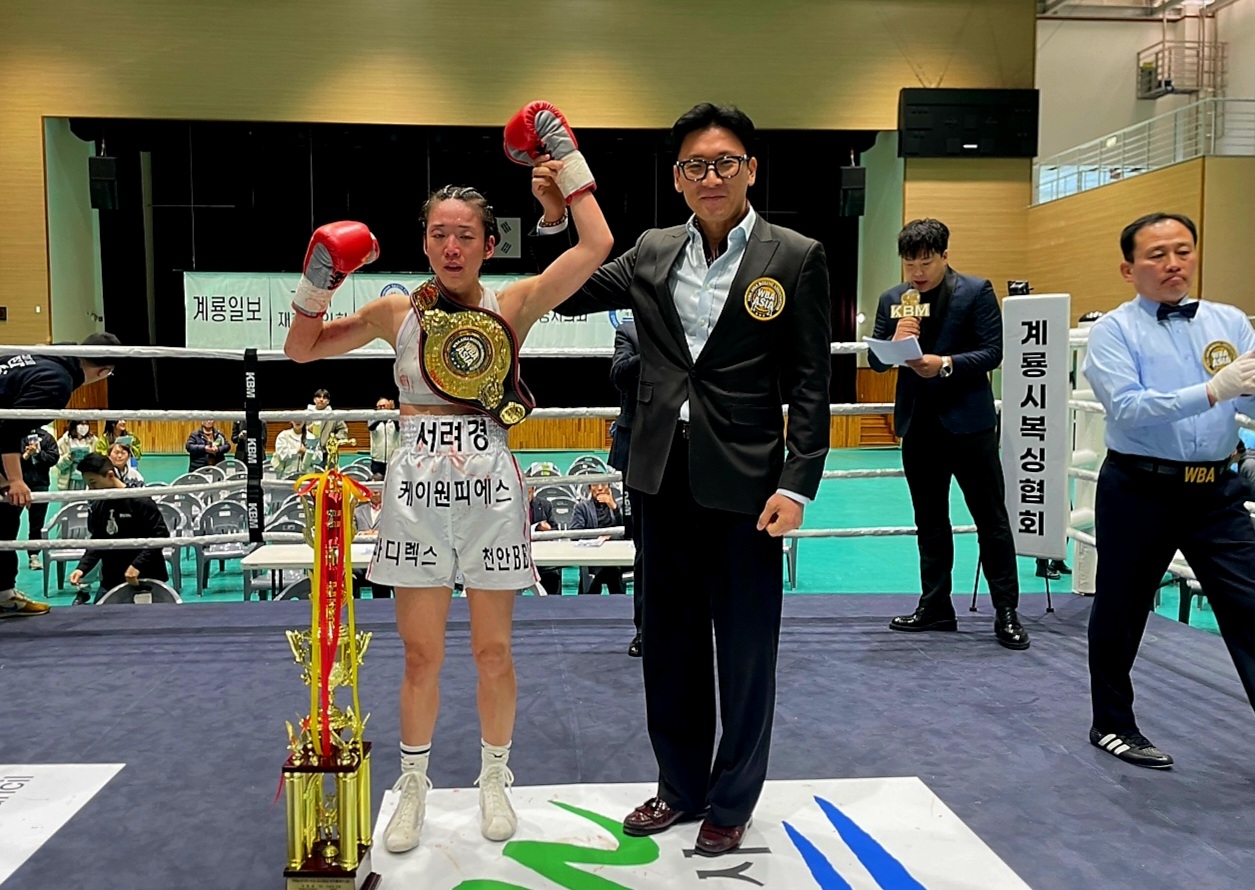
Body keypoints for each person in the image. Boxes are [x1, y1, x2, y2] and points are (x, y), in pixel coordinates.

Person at [283, 99, 611, 853]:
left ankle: (495, 776)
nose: (451, 245)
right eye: (439, 233)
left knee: (493, 651)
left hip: (490, 486)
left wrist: (563, 160)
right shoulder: (394, 311)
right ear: (424, 241)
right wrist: (318, 279)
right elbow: (301, 350)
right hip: (415, 491)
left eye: (465, 234)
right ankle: (413, 785)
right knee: (420, 653)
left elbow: (596, 244)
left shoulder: (514, 303)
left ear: (490, 244)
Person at [545, 103, 831, 856]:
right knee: (668, 643)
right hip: (659, 475)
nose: (711, 177)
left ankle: (732, 799)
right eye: (696, 165)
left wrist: (797, 483)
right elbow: (571, 291)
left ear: (750, 170)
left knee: (745, 649)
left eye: (725, 162)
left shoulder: (795, 255)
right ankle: (679, 787)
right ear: (677, 178)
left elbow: (811, 382)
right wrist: (557, 218)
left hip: (747, 482)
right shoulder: (651, 249)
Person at [1081, 211, 1255, 769]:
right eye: (1157, 255)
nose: (1173, 263)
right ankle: (1112, 724)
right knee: (1122, 607)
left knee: (1251, 606)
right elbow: (1128, 407)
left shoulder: (1231, 322)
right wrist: (1212, 390)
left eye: (1183, 250)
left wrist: (1241, 395)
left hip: (1217, 491)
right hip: (1140, 488)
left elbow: (1248, 397)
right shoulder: (1114, 331)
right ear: (1128, 269)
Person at [868, 218, 1028, 650]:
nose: (917, 272)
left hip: (969, 425)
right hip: (918, 425)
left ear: (944, 256)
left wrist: (945, 364)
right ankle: (936, 605)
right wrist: (895, 340)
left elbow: (993, 352)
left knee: (991, 520)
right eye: (910, 263)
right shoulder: (893, 299)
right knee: (930, 522)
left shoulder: (975, 291)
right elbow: (877, 360)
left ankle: (1006, 611)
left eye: (926, 262)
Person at [0, 333, 119, 617]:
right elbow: (7, 428)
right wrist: (15, 479)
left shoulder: (48, 355)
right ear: (103, 372)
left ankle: (3, 595)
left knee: (4, 514)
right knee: (7, 509)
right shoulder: (57, 381)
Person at [67, 453, 169, 605]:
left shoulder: (140, 500)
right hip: (111, 579)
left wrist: (137, 565)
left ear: (110, 475)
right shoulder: (99, 505)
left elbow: (161, 535)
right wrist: (82, 568)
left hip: (146, 577)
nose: (91, 490)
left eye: (93, 483)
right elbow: (98, 539)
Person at [609, 318, 645, 656]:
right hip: (639, 452)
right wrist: (656, 348)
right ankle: (645, 630)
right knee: (645, 545)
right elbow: (619, 375)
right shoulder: (631, 331)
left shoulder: (695, 331)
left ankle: (691, 626)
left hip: (689, 447)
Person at [570, 482, 624, 595]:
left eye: (603, 484)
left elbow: (627, 531)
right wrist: (599, 539)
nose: (600, 488)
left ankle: (591, 594)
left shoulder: (618, 505)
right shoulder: (582, 507)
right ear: (590, 489)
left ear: (609, 487)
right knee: (611, 569)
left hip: (615, 554)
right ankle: (619, 598)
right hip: (592, 555)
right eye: (595, 485)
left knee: (611, 567)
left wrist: (614, 507)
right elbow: (575, 534)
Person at [20, 427, 59, 571]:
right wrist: (25, 456)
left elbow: (54, 458)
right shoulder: (17, 435)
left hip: (40, 484)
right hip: (19, 485)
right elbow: (7, 460)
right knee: (9, 521)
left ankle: (34, 555)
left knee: (37, 522)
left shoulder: (47, 437)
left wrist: (37, 453)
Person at [527, 486, 563, 597]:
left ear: (533, 490)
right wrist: (535, 528)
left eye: (528, 490)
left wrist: (548, 530)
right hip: (520, 557)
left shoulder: (545, 505)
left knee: (552, 576)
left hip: (541, 554)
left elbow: (555, 530)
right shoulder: (510, 507)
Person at [307, 389, 349, 467]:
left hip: (326, 453)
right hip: (308, 452)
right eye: (319, 397)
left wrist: (333, 439)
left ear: (328, 401)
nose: (321, 399)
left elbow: (343, 430)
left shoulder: (334, 416)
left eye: (324, 397)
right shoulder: (305, 414)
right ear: (314, 399)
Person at [56, 420, 99, 490]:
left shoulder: (94, 440)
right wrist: (68, 458)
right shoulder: (63, 442)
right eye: (81, 424)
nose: (84, 427)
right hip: (69, 481)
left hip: (88, 479)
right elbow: (58, 464)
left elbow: (99, 460)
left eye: (86, 424)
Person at [368, 397, 401, 477]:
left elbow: (399, 427)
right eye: (379, 407)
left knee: (394, 481)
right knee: (377, 480)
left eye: (384, 406)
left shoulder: (396, 418)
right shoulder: (372, 418)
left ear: (389, 407)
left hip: (393, 459)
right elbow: (371, 427)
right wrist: (381, 417)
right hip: (377, 460)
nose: (382, 408)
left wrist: (392, 414)